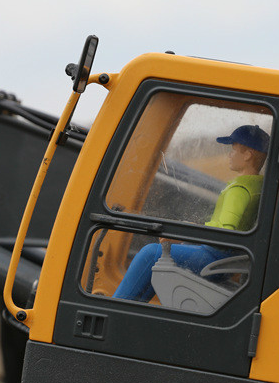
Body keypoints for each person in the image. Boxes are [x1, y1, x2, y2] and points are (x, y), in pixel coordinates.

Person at [112, 124, 269, 302]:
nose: (229, 155)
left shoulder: (239, 189)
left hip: (213, 257)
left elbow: (225, 231)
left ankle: (114, 308)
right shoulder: (258, 186)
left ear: (248, 155)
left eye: (234, 150)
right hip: (225, 260)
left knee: (149, 253)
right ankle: (131, 306)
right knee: (156, 263)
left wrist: (188, 231)